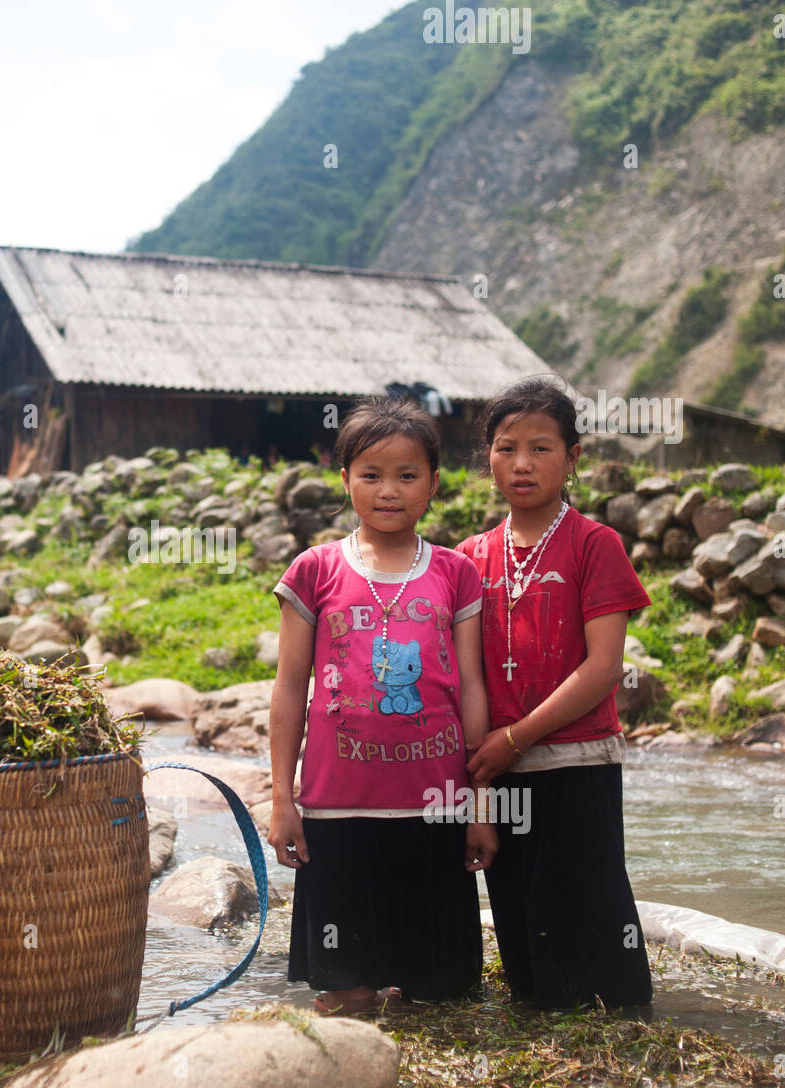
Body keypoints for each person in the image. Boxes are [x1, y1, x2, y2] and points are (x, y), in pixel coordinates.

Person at [268, 394, 497, 1016]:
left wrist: (480, 803)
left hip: (435, 804)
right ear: (345, 481)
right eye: (370, 475)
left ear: (433, 483)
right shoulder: (316, 570)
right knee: (346, 988)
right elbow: (291, 687)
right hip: (337, 806)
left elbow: (471, 686)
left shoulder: (454, 573)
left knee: (437, 991)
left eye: (407, 475)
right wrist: (283, 799)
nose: (388, 490)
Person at [455, 373, 653, 1011]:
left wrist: (515, 737)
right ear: (487, 456)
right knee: (522, 927)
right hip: (499, 768)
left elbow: (602, 669)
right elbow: (468, 678)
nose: (522, 463)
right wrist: (481, 791)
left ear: (573, 459)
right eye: (507, 447)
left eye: (542, 448)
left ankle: (620, 1035)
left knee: (589, 912)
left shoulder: (597, 545)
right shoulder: (469, 558)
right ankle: (542, 1027)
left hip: (577, 763)